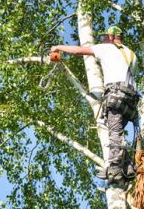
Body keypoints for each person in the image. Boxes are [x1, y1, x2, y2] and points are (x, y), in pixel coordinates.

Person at [51, 26, 138, 184]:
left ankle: (115, 169)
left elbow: (79, 51)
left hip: (116, 96)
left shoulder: (107, 48)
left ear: (112, 37)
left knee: (115, 132)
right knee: (118, 132)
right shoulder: (132, 55)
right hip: (130, 101)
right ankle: (127, 166)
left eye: (105, 37)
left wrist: (58, 47)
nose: (103, 39)